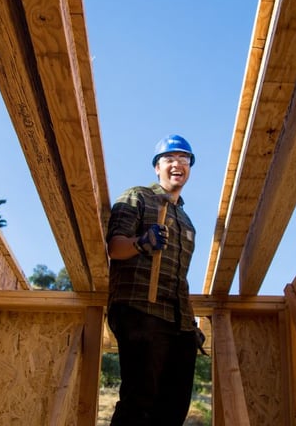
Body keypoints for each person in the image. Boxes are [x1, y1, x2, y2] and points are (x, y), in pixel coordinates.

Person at [106, 134, 201, 426]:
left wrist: (191, 324)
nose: (178, 164)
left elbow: (180, 281)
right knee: (139, 401)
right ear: (157, 167)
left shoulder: (187, 223)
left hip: (178, 322)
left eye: (184, 159)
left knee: (174, 408)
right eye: (170, 158)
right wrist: (142, 243)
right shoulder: (137, 196)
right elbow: (114, 248)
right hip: (140, 310)